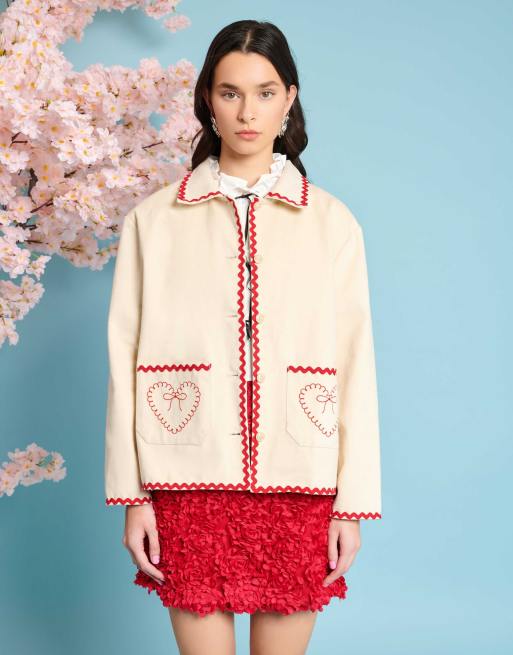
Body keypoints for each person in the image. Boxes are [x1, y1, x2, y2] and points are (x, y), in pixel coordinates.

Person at [104, 19, 382, 655]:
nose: (247, 112)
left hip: (301, 482)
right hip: (185, 480)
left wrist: (351, 504)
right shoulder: (154, 221)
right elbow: (123, 359)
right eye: (230, 93)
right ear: (208, 98)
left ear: (289, 99)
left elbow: (356, 362)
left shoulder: (331, 222)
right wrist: (133, 496)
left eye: (264, 92)